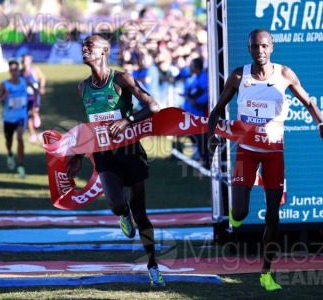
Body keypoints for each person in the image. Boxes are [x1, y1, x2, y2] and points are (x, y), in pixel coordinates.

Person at [207, 29, 323, 291]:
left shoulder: (284, 74)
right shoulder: (237, 76)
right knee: (241, 213)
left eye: (264, 46)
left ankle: (266, 272)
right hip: (245, 150)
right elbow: (216, 111)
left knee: (273, 214)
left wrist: (321, 124)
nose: (260, 51)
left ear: (272, 48)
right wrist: (212, 136)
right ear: (249, 49)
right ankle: (235, 214)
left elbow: (308, 101)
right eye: (255, 47)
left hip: (273, 152)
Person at [66, 33, 164, 286]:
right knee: (118, 205)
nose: (85, 49)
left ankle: (153, 264)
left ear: (105, 51)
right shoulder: (82, 87)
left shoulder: (121, 79)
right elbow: (91, 126)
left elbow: (154, 106)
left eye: (90, 46)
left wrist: (127, 120)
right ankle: (123, 214)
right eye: (83, 46)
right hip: (104, 155)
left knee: (141, 215)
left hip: (131, 152)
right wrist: (77, 155)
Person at [0, 60, 34, 179]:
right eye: (12, 70)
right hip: (8, 119)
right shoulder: (4, 85)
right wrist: (2, 98)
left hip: (21, 116)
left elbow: (35, 90)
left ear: (18, 70)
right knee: (8, 141)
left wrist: (34, 106)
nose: (14, 72)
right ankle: (10, 154)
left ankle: (20, 166)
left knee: (20, 138)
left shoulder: (24, 82)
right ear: (9, 71)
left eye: (16, 70)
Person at [181, 57, 209, 168]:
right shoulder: (192, 78)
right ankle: (199, 157)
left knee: (202, 139)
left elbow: (204, 92)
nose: (190, 67)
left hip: (199, 114)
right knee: (193, 137)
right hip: (191, 114)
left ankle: (206, 162)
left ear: (196, 67)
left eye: (191, 65)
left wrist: (196, 101)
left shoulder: (204, 77)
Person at [20, 53, 46, 143]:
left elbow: (42, 77)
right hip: (24, 97)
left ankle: (35, 115)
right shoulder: (20, 72)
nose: (25, 61)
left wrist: (42, 87)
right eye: (23, 59)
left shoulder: (34, 70)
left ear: (30, 60)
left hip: (34, 96)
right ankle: (33, 134)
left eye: (26, 59)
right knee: (27, 116)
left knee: (32, 112)